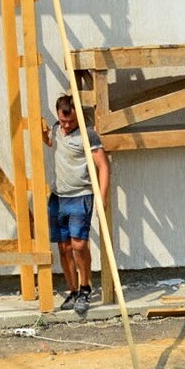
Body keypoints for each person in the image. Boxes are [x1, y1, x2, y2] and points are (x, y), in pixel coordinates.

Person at [41, 94, 110, 314]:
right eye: (63, 121)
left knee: (79, 245)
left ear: (78, 117)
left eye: (71, 121)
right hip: (58, 197)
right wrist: (45, 135)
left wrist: (101, 197)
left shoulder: (87, 135)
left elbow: (104, 167)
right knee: (64, 247)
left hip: (81, 196)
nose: (67, 125)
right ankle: (72, 291)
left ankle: (85, 287)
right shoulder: (56, 129)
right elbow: (52, 142)